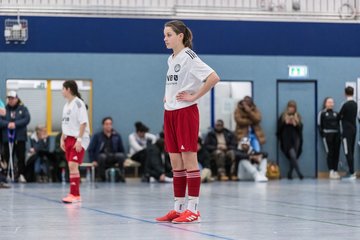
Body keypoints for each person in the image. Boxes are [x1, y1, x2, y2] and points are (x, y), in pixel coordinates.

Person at [156, 20, 220, 224]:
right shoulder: (171, 59)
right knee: (175, 163)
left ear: (180, 36)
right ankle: (178, 208)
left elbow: (213, 77)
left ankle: (193, 209)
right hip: (170, 112)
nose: (164, 38)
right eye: (164, 35)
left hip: (186, 113)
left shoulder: (190, 57)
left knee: (189, 160)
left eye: (168, 35)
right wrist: (169, 95)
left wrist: (194, 96)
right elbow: (177, 83)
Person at [60, 80, 90, 203]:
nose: (62, 91)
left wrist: (79, 140)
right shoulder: (66, 105)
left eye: (63, 89)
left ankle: (75, 194)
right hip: (68, 138)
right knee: (70, 166)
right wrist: (62, 138)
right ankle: (74, 193)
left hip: (79, 138)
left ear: (69, 89)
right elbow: (65, 123)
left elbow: (83, 123)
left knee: (73, 165)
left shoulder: (78, 103)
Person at [0, 90, 31, 183]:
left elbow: (27, 119)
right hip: (7, 138)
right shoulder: (4, 109)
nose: (11, 100)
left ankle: (21, 174)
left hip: (20, 137)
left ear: (17, 98)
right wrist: (8, 124)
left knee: (21, 157)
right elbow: (0, 121)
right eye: (9, 98)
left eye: (12, 98)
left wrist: (15, 124)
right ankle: (8, 174)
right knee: (8, 156)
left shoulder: (23, 109)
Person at [88, 117, 126, 182]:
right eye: (106, 124)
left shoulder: (117, 136)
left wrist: (125, 159)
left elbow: (121, 149)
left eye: (110, 124)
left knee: (121, 156)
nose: (108, 126)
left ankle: (120, 176)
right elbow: (91, 149)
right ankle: (102, 177)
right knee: (102, 157)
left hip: (113, 155)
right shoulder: (97, 136)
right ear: (103, 125)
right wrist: (93, 160)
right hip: (102, 156)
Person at [277, 100, 304, 180]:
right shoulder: (283, 116)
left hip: (296, 138)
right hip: (286, 139)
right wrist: (285, 122)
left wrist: (295, 124)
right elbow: (279, 129)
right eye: (290, 107)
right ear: (287, 107)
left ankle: (289, 173)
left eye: (293, 107)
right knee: (292, 154)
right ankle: (299, 173)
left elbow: (300, 129)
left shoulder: (298, 116)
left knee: (294, 156)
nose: (291, 109)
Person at [318, 97, 341, 180]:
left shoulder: (336, 113)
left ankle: (335, 170)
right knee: (330, 153)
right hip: (327, 135)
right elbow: (319, 125)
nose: (331, 104)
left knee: (336, 153)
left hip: (337, 135)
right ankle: (331, 171)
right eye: (329, 102)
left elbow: (339, 124)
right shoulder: (322, 113)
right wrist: (323, 135)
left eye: (332, 102)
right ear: (325, 103)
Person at [339, 86, 357, 180]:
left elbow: (339, 116)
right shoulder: (355, 104)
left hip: (346, 131)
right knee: (351, 151)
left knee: (347, 151)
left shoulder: (345, 105)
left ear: (345, 93)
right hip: (354, 129)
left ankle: (352, 172)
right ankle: (351, 171)